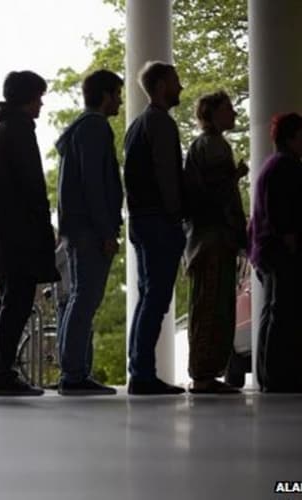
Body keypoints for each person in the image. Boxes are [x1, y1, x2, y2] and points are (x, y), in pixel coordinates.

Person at [0, 71, 60, 397]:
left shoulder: (1, 131)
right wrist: (45, 226)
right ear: (27, 98)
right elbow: (32, 187)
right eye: (38, 96)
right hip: (21, 233)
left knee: (9, 301)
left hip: (4, 232)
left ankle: (2, 370)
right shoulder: (20, 132)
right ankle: (3, 373)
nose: (41, 103)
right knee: (18, 301)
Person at [55, 69, 124, 396]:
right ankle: (74, 374)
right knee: (85, 299)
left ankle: (74, 371)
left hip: (76, 228)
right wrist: (107, 230)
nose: (121, 102)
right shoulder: (96, 128)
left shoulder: (77, 132)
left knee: (79, 299)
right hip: (90, 229)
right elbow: (95, 185)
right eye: (118, 94)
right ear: (106, 94)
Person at [123, 61, 186, 395]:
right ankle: (143, 374)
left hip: (141, 220)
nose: (181, 87)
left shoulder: (137, 125)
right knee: (156, 298)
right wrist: (177, 216)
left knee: (148, 297)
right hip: (160, 221)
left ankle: (140, 370)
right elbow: (166, 174)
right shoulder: (160, 124)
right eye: (176, 81)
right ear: (161, 85)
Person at [182, 91, 247, 394]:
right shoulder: (213, 147)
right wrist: (235, 176)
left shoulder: (205, 145)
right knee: (211, 307)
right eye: (228, 109)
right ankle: (204, 374)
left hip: (207, 239)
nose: (234, 113)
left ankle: (206, 372)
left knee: (210, 305)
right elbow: (214, 195)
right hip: (213, 240)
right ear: (213, 113)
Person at [248, 112, 302, 393]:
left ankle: (269, 376)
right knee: (282, 313)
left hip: (266, 250)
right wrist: (289, 237)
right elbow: (280, 209)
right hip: (279, 250)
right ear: (293, 137)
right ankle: (279, 377)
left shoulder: (273, 165)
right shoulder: (285, 166)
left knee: (272, 311)